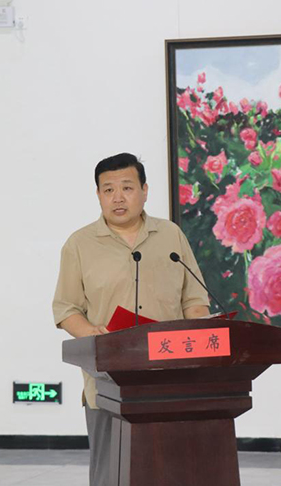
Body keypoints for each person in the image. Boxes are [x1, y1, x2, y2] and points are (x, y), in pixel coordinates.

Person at [52, 152, 210, 486]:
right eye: (108, 190)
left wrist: (198, 336)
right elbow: (66, 308)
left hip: (171, 378)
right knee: (111, 474)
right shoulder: (79, 244)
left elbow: (194, 299)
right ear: (98, 195)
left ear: (145, 190)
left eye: (127, 187)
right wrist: (92, 333)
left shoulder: (171, 236)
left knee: (175, 472)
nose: (118, 197)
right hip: (109, 381)